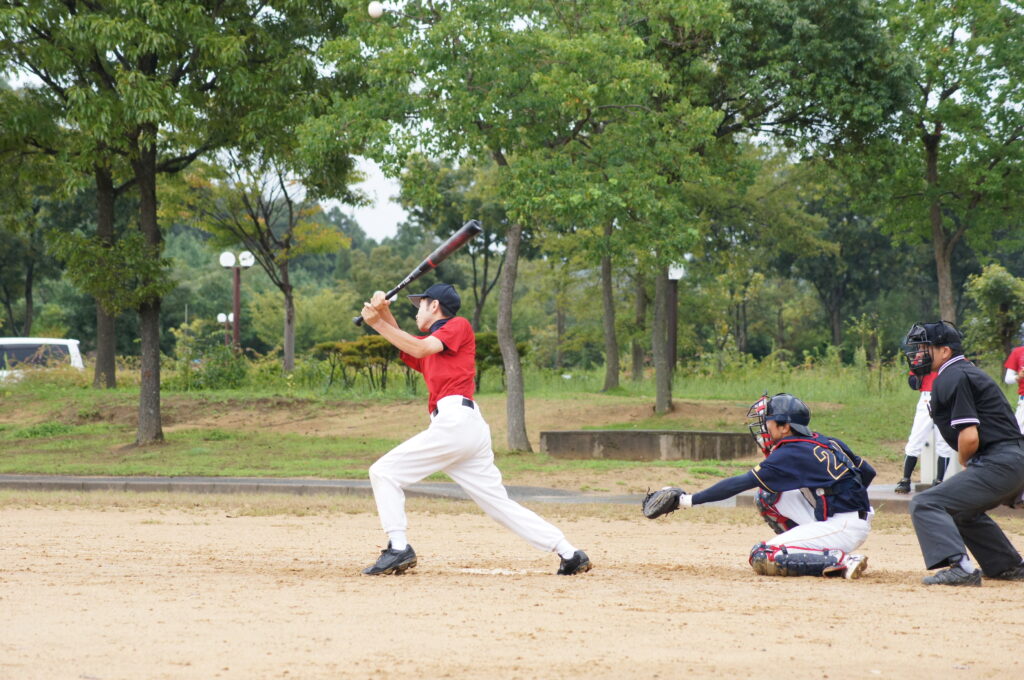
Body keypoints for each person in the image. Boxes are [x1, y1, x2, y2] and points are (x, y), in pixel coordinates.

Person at [357, 282, 592, 576]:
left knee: (384, 472)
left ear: (434, 306)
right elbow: (411, 344)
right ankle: (570, 553)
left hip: (456, 423)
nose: (417, 309)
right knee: (497, 503)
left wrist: (377, 323)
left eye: (421, 304)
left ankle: (399, 547)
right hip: (462, 427)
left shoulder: (457, 326)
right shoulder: (433, 342)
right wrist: (383, 314)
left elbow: (417, 345)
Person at [643, 393, 875, 580]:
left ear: (785, 427)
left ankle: (839, 560)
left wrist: (687, 500)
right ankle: (812, 547)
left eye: (769, 422)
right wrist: (842, 497)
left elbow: (741, 482)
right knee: (768, 496)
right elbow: (868, 473)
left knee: (762, 555)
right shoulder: (825, 440)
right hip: (848, 518)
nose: (764, 428)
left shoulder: (790, 452)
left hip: (843, 525)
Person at [902, 321, 1024, 586]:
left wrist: (965, 461)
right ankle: (1007, 566)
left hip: (1001, 461)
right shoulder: (961, 372)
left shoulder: (952, 376)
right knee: (961, 511)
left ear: (944, 351)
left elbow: (969, 436)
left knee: (926, 503)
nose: (919, 354)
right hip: (1011, 461)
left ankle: (961, 568)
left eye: (925, 348)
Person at [894, 368, 956, 493]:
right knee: (916, 439)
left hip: (947, 397)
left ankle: (939, 481)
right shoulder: (923, 355)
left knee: (944, 442)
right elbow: (913, 384)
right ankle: (905, 479)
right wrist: (919, 374)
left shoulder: (953, 353)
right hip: (927, 396)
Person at [1003, 322, 1024, 434]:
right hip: (1023, 400)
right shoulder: (1018, 352)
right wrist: (1018, 377)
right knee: (1019, 435)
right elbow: (1008, 379)